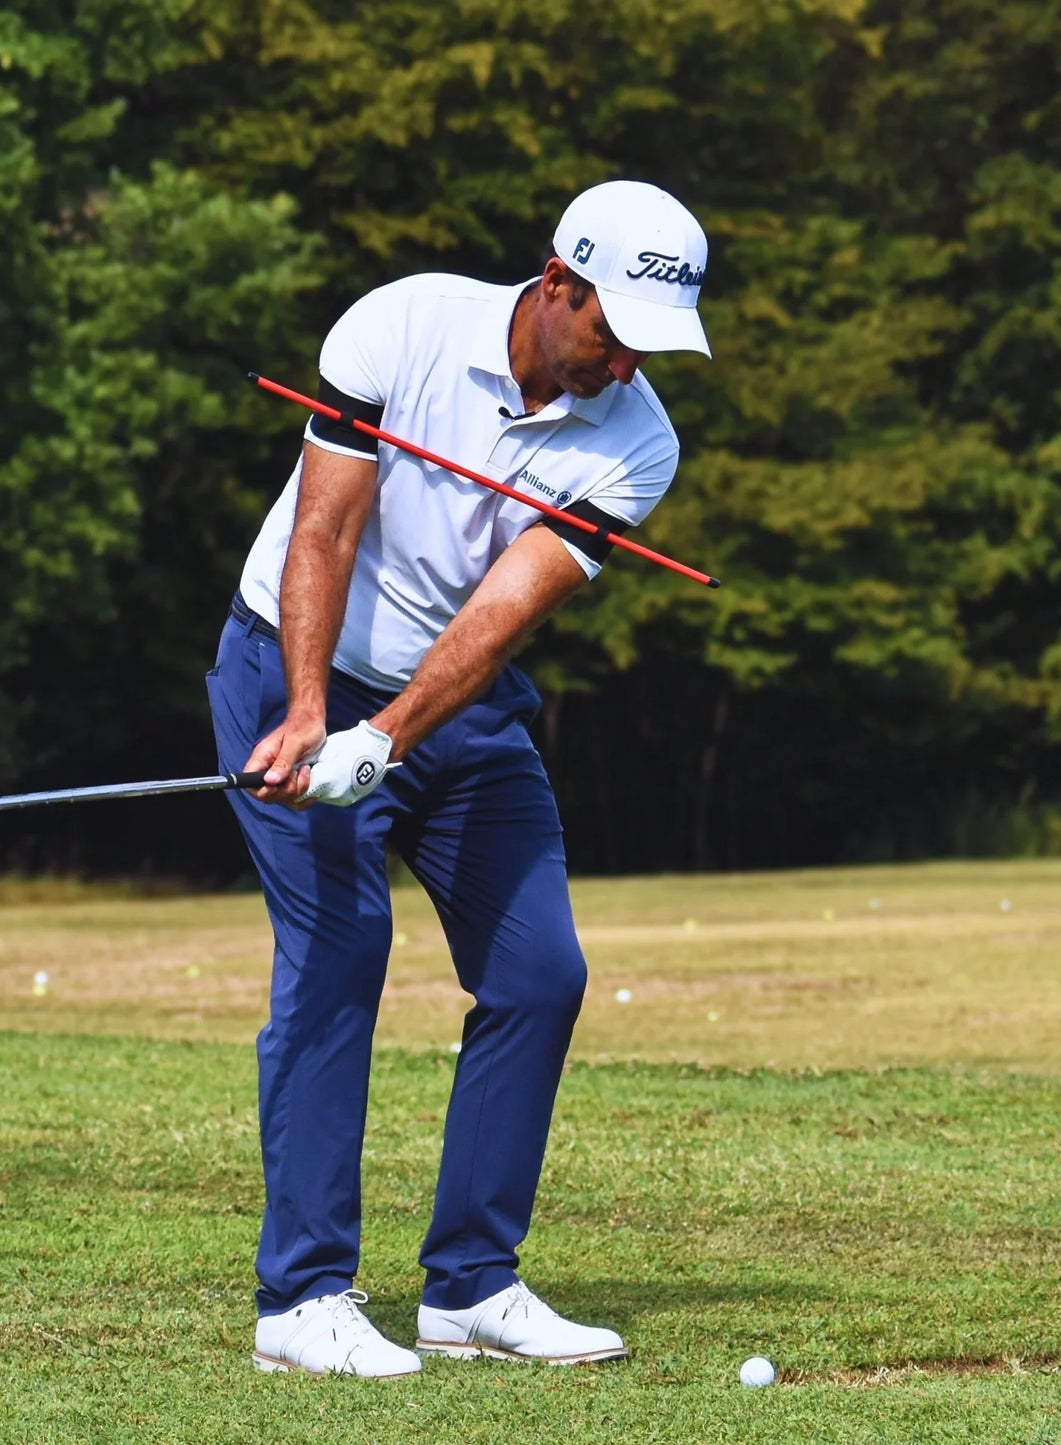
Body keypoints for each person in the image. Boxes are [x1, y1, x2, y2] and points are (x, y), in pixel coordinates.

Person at [206, 179, 713, 1378]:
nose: (626, 362)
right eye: (610, 330)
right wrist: (318, 714)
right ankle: (302, 1298)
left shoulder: (638, 443)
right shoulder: (403, 325)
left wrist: (383, 738)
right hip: (288, 668)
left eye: (650, 343)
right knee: (339, 954)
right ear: (555, 282)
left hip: (455, 709)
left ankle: (470, 1285)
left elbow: (498, 611)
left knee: (540, 972)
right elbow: (322, 535)